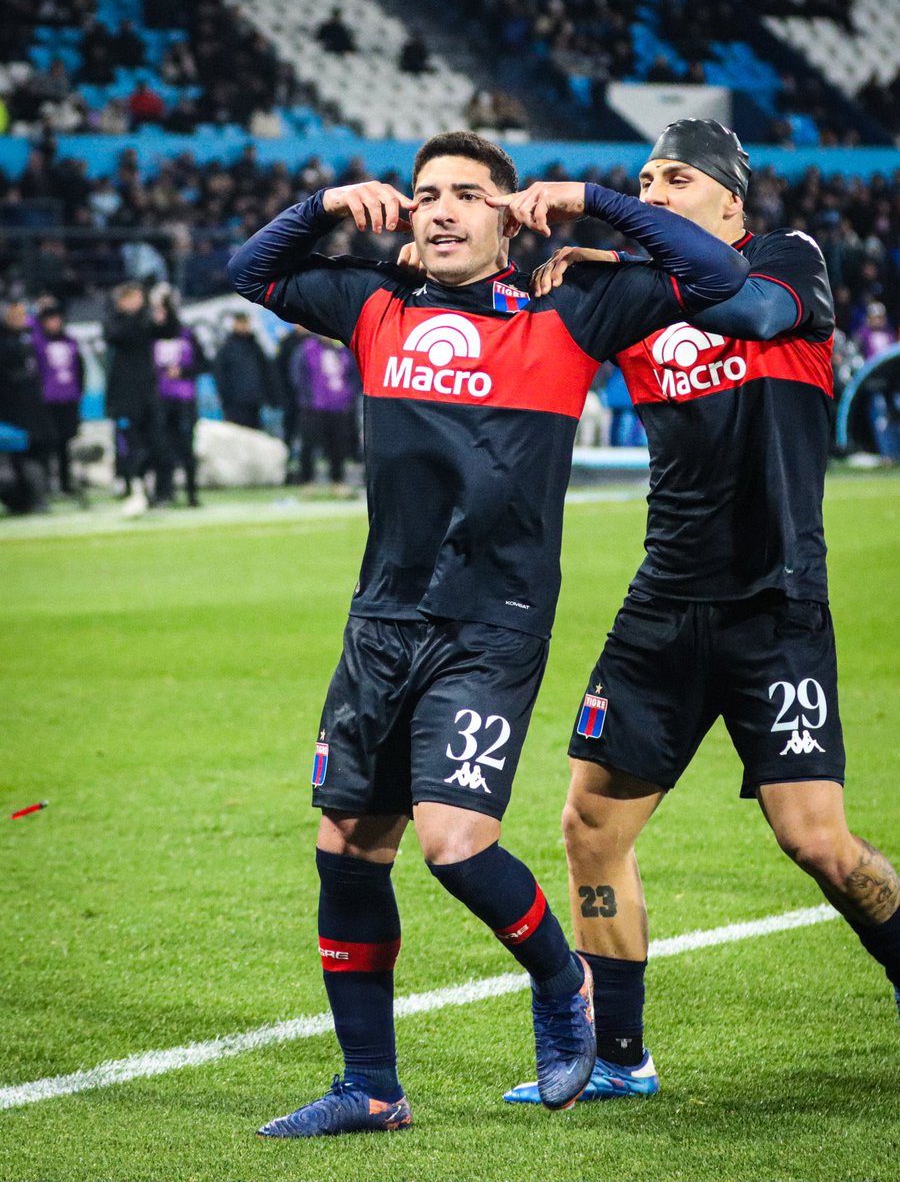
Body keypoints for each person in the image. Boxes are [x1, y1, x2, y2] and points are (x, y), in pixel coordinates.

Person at [228, 128, 748, 1137]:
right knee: (348, 847)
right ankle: (370, 1087)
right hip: (382, 619)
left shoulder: (572, 308)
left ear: (511, 214)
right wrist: (329, 202)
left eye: (469, 193)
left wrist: (593, 201)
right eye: (427, 194)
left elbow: (716, 268)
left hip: (492, 623)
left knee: (455, 846)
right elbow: (251, 271)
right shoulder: (377, 303)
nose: (441, 208)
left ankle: (565, 989)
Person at [502, 119, 900, 1107]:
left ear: (731, 201)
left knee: (815, 840)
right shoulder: (631, 292)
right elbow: (503, 350)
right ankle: (621, 1056)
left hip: (776, 605)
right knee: (590, 825)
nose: (654, 189)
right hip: (666, 604)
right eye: (642, 177)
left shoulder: (786, 264)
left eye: (675, 177)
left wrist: (600, 208)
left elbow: (757, 318)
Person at [103, 281, 179, 516]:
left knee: (158, 444)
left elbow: (169, 330)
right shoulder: (114, 320)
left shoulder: (145, 319)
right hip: (124, 396)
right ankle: (132, 489)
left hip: (148, 394)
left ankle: (161, 493)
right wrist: (136, 314)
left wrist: (166, 307)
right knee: (130, 447)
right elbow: (117, 335)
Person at [281, 325, 361, 495]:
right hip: (314, 407)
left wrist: (349, 398)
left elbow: (353, 375)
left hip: (339, 406)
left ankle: (338, 481)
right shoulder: (306, 349)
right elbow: (297, 376)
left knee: (338, 446)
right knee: (308, 445)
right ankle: (307, 481)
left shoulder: (343, 350)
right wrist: (307, 399)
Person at [151, 285, 206, 507]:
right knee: (161, 447)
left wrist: (182, 371)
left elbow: (203, 364)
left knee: (186, 448)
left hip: (184, 399)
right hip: (160, 399)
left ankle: (192, 493)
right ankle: (165, 492)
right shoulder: (149, 336)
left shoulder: (187, 335)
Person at [0, 299, 53, 514]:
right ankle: (21, 500)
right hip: (10, 410)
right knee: (14, 458)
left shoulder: (29, 339)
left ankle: (34, 499)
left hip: (31, 409)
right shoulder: (6, 343)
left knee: (32, 453)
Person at [30, 301, 85, 495]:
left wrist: (79, 392)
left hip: (68, 398)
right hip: (47, 399)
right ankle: (44, 484)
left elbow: (80, 369)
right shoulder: (38, 342)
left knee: (65, 443)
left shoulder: (70, 341)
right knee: (47, 443)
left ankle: (65, 483)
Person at [212, 312, 272, 430]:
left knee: (255, 434)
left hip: (254, 400)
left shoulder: (255, 345)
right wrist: (226, 398)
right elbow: (220, 375)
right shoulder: (227, 348)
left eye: (246, 323)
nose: (244, 326)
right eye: (241, 323)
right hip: (235, 403)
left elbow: (265, 371)